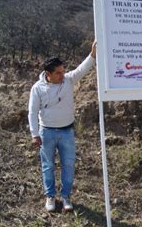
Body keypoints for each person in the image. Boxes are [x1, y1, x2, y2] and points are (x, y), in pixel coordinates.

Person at [28, 41, 96, 212]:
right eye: (58, 73)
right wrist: (35, 134)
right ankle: (50, 197)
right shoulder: (37, 88)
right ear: (48, 74)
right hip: (47, 133)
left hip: (67, 131)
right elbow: (32, 112)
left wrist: (93, 54)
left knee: (68, 165)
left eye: (63, 71)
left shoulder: (67, 81)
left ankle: (66, 197)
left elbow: (81, 69)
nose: (63, 75)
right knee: (48, 165)